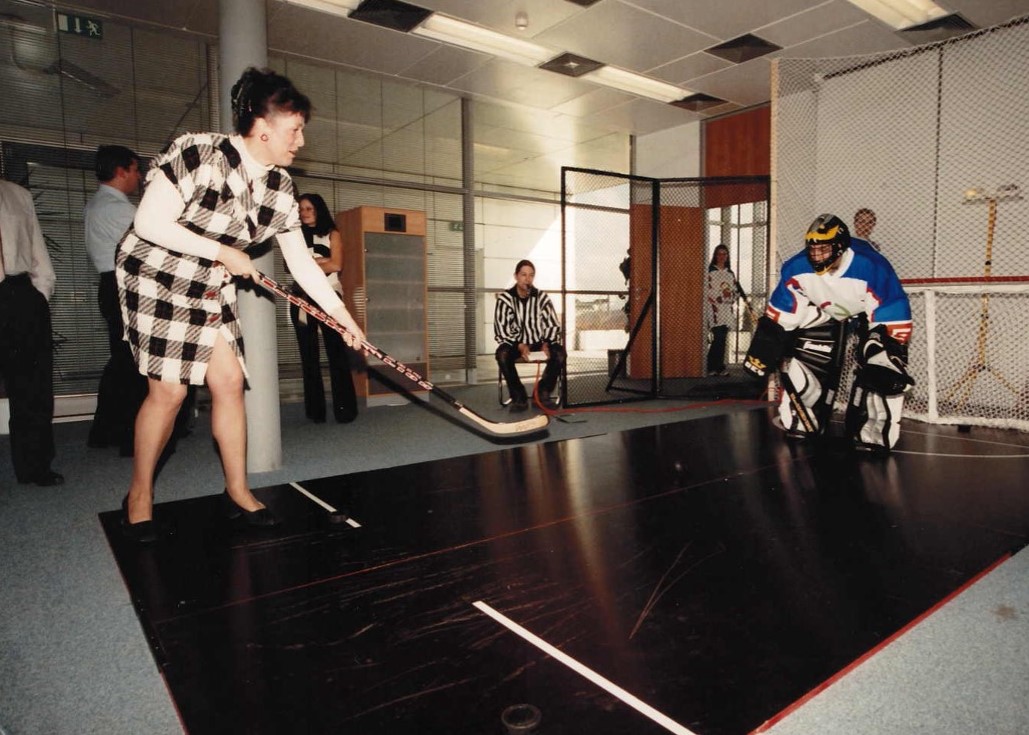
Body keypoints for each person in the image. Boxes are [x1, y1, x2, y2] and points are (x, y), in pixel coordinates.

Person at [116, 67, 364, 542]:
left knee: (229, 381)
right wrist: (223, 252)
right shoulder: (199, 153)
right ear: (263, 126)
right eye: (295, 130)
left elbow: (303, 264)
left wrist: (343, 318)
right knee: (169, 393)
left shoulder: (281, 189)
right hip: (155, 275)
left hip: (209, 280)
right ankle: (139, 496)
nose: (301, 141)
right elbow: (148, 223)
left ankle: (238, 491)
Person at [743, 214, 913, 451]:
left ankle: (873, 434)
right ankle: (804, 419)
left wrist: (889, 350)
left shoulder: (872, 267)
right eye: (812, 249)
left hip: (869, 313)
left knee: (881, 364)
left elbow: (893, 310)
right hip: (823, 310)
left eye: (823, 249)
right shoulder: (795, 268)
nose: (816, 255)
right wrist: (767, 344)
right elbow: (781, 315)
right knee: (807, 352)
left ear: (840, 247)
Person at [84, 145, 148, 455]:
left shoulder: (97, 204)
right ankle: (130, 437)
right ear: (121, 171)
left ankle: (105, 431)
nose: (139, 177)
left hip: (111, 285)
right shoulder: (118, 210)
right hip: (126, 286)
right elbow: (152, 247)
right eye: (135, 170)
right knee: (135, 363)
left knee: (121, 360)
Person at [0, 179, 64, 486]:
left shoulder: (18, 194)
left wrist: (40, 293)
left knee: (33, 388)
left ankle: (34, 466)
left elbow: (36, 246)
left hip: (19, 294)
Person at [290, 192, 357, 424]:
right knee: (308, 355)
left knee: (336, 352)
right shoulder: (295, 237)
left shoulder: (332, 234)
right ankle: (315, 412)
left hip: (329, 298)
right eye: (301, 209)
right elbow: (291, 268)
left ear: (319, 209)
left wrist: (308, 266)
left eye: (309, 208)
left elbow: (336, 264)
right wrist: (321, 262)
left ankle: (345, 410)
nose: (304, 213)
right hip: (300, 299)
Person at [494, 259, 565, 411]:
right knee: (502, 354)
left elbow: (552, 324)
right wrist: (519, 345)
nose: (527, 279)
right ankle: (519, 397)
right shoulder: (505, 299)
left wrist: (546, 344)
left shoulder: (542, 297)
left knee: (559, 353)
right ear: (516, 276)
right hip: (516, 343)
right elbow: (501, 328)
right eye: (523, 275)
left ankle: (541, 393)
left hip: (538, 342)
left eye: (531, 275)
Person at [704, 244, 749, 377]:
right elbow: (708, 290)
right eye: (719, 254)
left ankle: (717, 367)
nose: (722, 257)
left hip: (726, 309)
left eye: (724, 254)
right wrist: (719, 297)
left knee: (722, 338)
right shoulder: (710, 271)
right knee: (718, 337)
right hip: (715, 309)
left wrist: (731, 296)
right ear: (715, 255)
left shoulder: (730, 273)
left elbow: (735, 290)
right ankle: (712, 366)